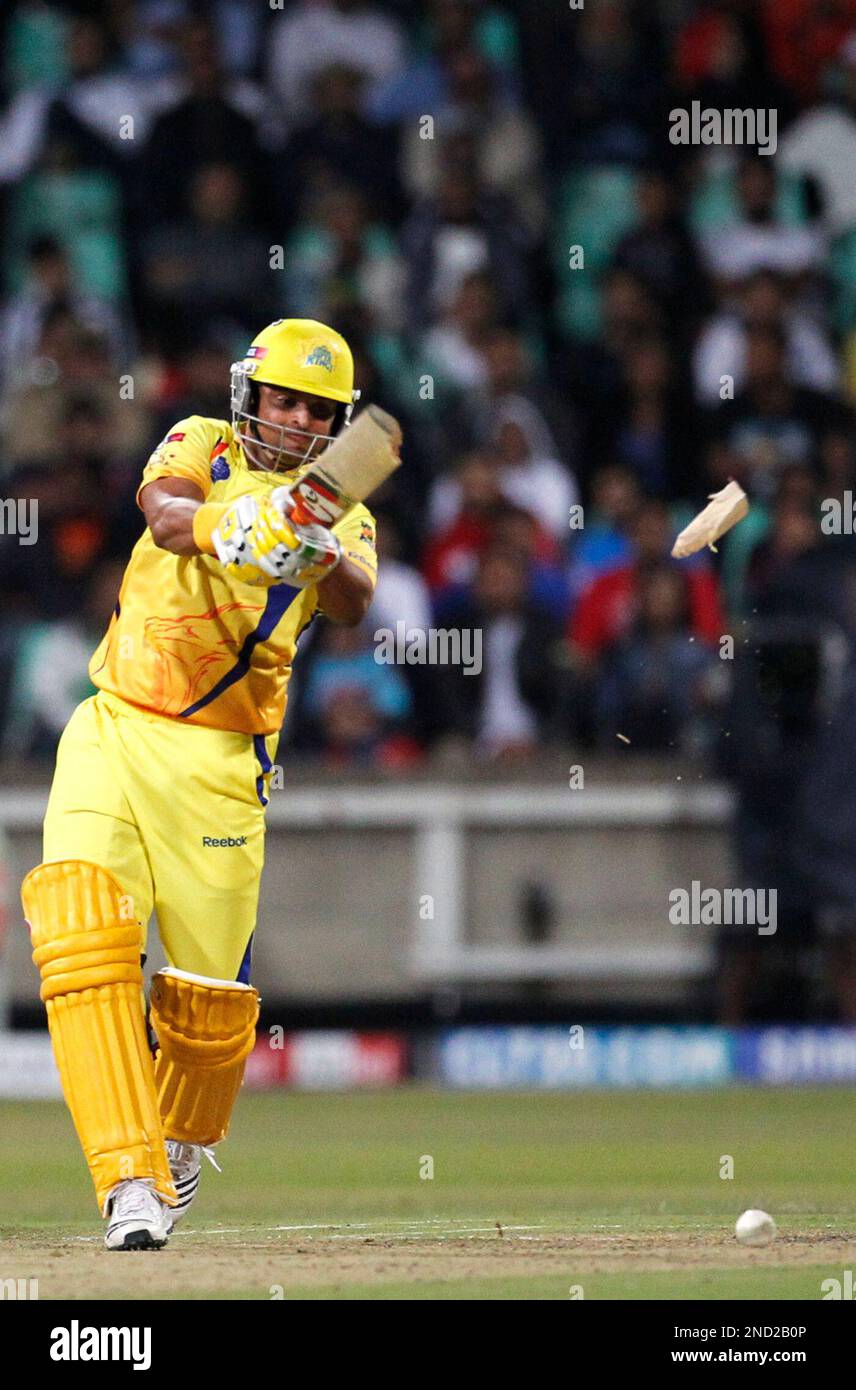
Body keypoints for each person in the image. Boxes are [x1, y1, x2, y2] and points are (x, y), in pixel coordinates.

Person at [20, 318, 381, 1250]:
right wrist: (253, 526)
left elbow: (353, 598)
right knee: (80, 936)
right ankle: (126, 1182)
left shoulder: (346, 509)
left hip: (223, 767)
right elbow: (168, 516)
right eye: (281, 399)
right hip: (115, 724)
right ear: (250, 396)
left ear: (334, 425)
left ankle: (178, 1148)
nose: (294, 420)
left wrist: (312, 542)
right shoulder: (202, 442)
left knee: (208, 1013)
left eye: (315, 410)